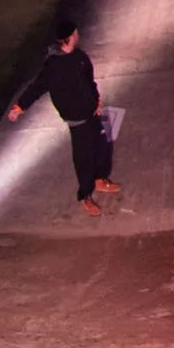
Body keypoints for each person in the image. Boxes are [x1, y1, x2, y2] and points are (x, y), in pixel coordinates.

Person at [7, 16, 120, 215]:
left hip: (92, 112)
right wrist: (19, 107)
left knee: (105, 142)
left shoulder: (81, 57)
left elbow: (89, 81)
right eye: (75, 33)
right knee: (83, 158)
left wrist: (97, 102)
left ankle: (100, 179)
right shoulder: (53, 67)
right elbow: (36, 87)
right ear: (68, 38)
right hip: (77, 120)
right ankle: (85, 196)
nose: (78, 36)